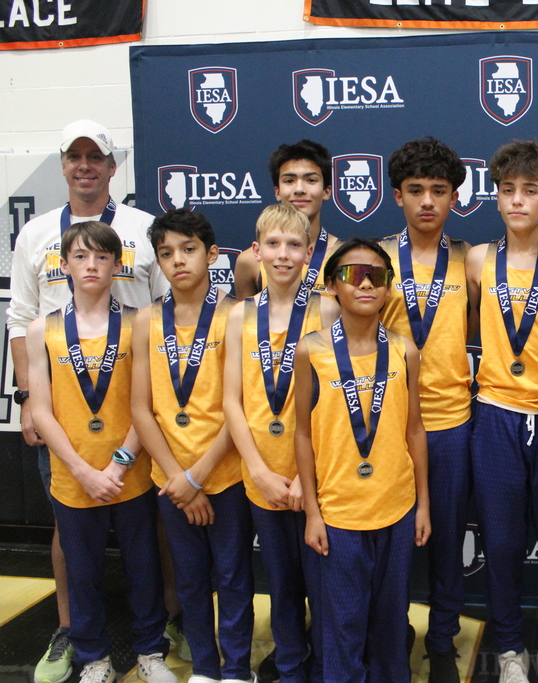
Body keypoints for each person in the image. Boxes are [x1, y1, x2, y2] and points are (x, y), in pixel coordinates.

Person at [6, 119, 170, 683]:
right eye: (73, 156)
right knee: (71, 535)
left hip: (133, 418)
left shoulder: (143, 228)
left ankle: (156, 638)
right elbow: (20, 319)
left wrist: (128, 453)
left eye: (93, 156)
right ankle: (77, 636)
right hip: (65, 420)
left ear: (111, 164)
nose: (83, 165)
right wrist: (29, 401)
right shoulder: (36, 235)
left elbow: (170, 311)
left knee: (146, 541)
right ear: (62, 164)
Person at [294, 238, 431, 682]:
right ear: (333, 285)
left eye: (378, 275)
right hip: (339, 514)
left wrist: (423, 504)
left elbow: (414, 430)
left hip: (395, 508)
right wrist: (313, 512)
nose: (367, 283)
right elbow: (301, 435)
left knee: (392, 624)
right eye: (354, 274)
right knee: (343, 626)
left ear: (390, 287)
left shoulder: (405, 351)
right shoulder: (310, 352)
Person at [463, 140, 538, 683]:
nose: (517, 201)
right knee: (502, 542)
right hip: (495, 416)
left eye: (530, 191)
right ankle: (508, 648)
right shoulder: (479, 259)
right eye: (507, 190)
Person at [131, 208, 255, 683]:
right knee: (190, 579)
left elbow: (239, 407)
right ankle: (204, 666)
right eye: (166, 253)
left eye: (189, 249)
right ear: (158, 262)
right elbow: (141, 410)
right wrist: (179, 479)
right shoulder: (146, 320)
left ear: (212, 254)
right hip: (171, 480)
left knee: (233, 577)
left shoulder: (238, 317)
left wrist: (199, 475)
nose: (178, 261)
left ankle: (237, 668)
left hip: (224, 473)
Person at [379, 137, 471, 683]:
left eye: (439, 191)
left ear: (455, 198)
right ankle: (393, 632)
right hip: (385, 425)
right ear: (397, 196)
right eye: (416, 191)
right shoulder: (373, 260)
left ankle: (442, 640)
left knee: (447, 539)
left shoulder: (473, 260)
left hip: (453, 423)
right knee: (391, 543)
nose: (428, 202)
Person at [223, 202, 318, 683]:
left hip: (318, 477)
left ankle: (325, 662)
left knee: (322, 584)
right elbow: (232, 403)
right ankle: (290, 666)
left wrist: (307, 474)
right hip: (261, 477)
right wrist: (258, 470)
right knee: (280, 585)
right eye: (274, 245)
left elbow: (333, 403)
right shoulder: (239, 316)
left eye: (294, 245)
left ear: (309, 253)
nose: (284, 255)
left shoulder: (328, 309)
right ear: (256, 251)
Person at [234, 139, 341, 330]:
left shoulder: (344, 257)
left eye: (311, 180)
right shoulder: (248, 262)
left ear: (326, 191)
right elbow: (247, 332)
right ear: (277, 191)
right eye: (289, 180)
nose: (299, 189)